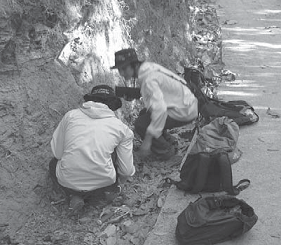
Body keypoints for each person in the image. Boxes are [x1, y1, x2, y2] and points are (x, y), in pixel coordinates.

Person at [49, 85, 135, 214]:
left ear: (90, 100)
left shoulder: (70, 116)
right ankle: (112, 191)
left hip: (68, 182)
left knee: (53, 163)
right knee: (114, 151)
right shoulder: (121, 128)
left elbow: (57, 153)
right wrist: (119, 182)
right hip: (104, 183)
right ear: (112, 105)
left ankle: (74, 195)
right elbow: (127, 171)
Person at [111, 48, 198, 160]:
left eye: (124, 69)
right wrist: (137, 93)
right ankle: (167, 141)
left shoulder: (148, 80)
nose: (121, 73)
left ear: (134, 65)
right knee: (144, 113)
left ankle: (165, 152)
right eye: (119, 69)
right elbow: (161, 89)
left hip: (185, 111)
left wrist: (147, 141)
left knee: (142, 124)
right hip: (188, 104)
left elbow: (160, 110)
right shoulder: (148, 68)